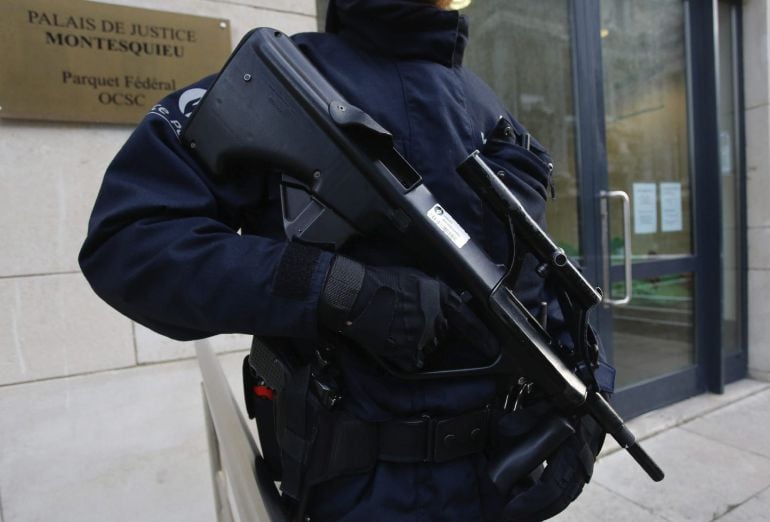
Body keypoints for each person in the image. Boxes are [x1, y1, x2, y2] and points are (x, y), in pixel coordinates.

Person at [80, 0, 615, 520]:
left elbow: (534, 278)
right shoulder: (284, 78)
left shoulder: (487, 108)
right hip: (358, 488)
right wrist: (337, 289)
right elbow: (131, 240)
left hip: (496, 480)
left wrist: (587, 390)